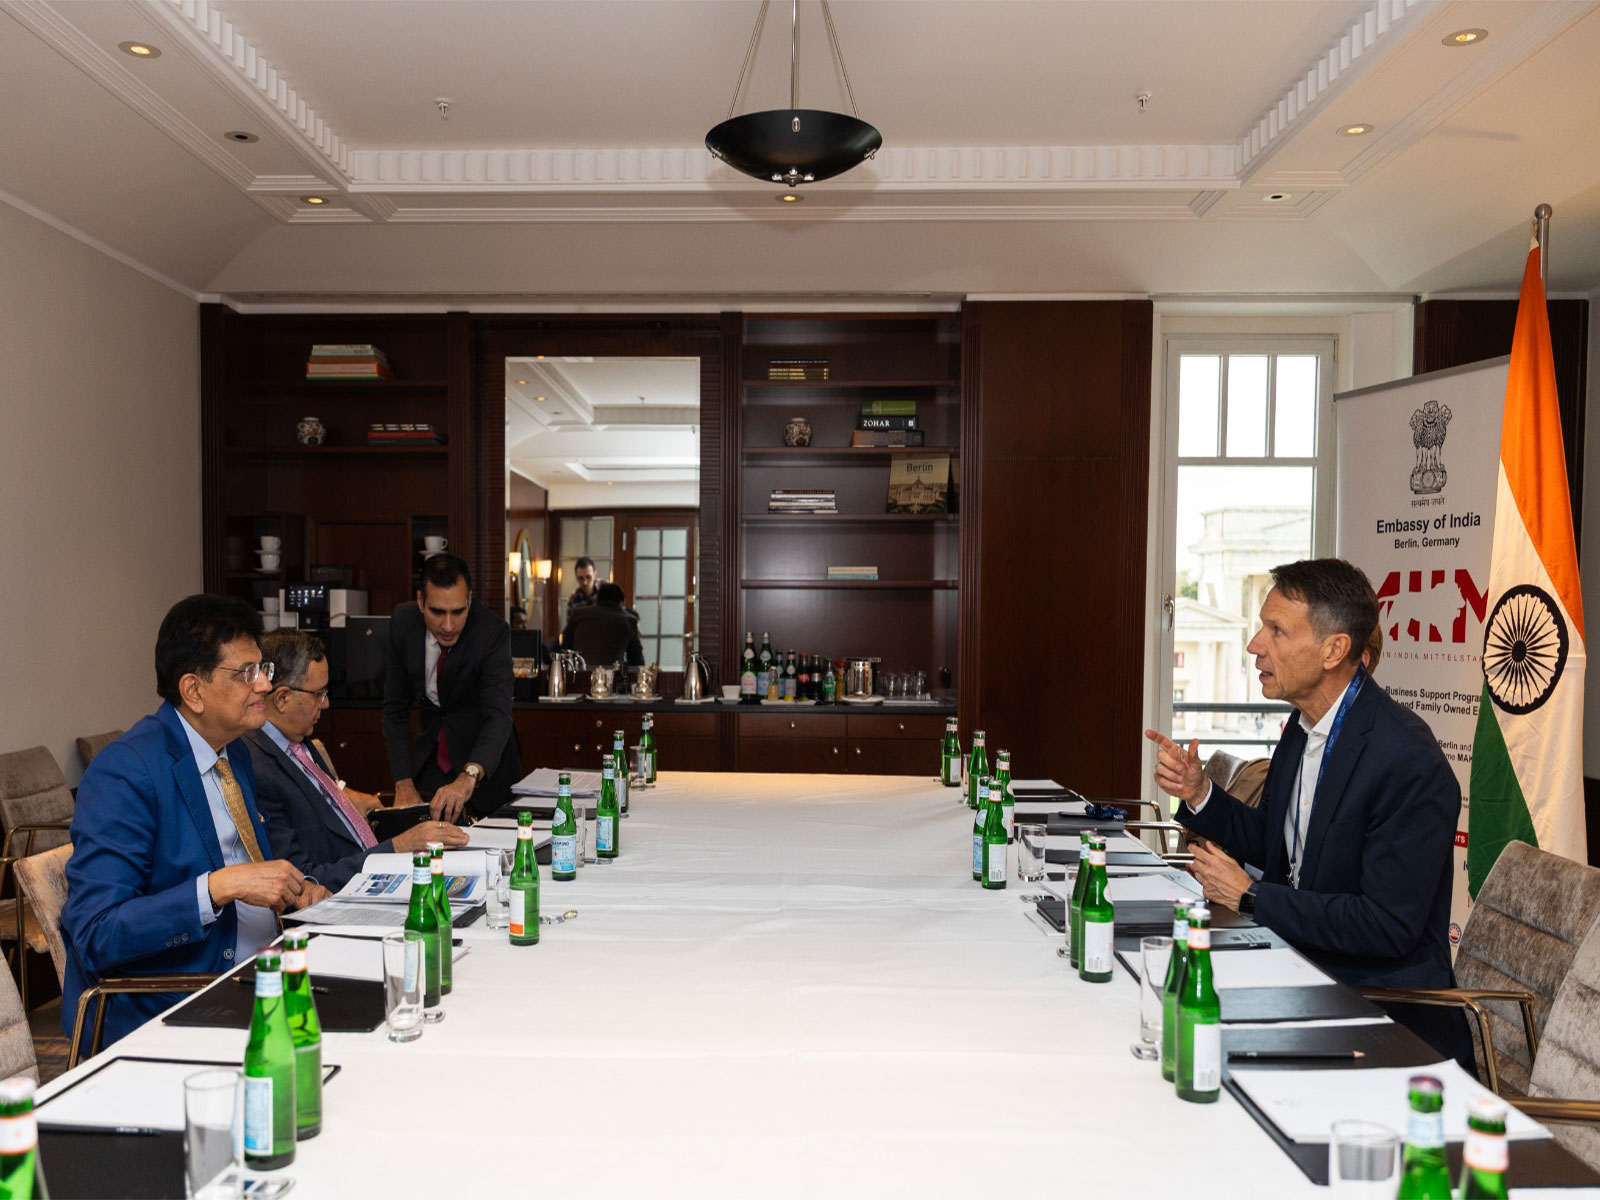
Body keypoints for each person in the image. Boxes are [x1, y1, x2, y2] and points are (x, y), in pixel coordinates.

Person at [1146, 558, 1471, 1067]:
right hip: (1297, 970)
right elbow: (1273, 843)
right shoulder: (1302, 730)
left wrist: (1251, 896)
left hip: (1381, 1015)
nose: (1255, 645)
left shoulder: (1408, 761)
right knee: (1165, 1004)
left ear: (1333, 650)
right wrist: (1200, 792)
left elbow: (1385, 926)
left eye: (1276, 630)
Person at [62, 595, 330, 1048]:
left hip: (265, 973)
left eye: (263, 669)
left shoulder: (234, 754)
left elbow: (252, 872)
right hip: (176, 1003)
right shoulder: (126, 771)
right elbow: (96, 932)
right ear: (193, 690)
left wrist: (296, 890)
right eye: (246, 673)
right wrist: (217, 887)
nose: (265, 685)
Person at [246, 629, 467, 891]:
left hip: (376, 872)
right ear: (282, 698)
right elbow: (303, 882)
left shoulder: (297, 741)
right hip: (347, 893)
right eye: (319, 694)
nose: (326, 704)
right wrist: (399, 847)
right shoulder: (258, 770)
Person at [383, 553, 521, 822]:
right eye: (437, 612)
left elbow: (498, 715)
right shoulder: (402, 622)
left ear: (469, 600)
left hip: (487, 763)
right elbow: (394, 709)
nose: (448, 626)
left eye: (458, 612)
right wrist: (403, 781)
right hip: (433, 757)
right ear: (421, 602)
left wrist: (470, 775)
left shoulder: (492, 632)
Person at [562, 581, 645, 670]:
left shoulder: (578, 614)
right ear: (622, 602)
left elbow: (564, 646)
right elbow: (637, 660)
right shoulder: (629, 619)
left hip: (580, 673)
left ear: (597, 600)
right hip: (612, 674)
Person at [565, 556, 600, 624]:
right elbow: (571, 628)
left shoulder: (605, 590)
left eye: (588, 577)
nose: (585, 582)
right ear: (576, 577)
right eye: (581, 578)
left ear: (595, 574)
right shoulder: (573, 601)